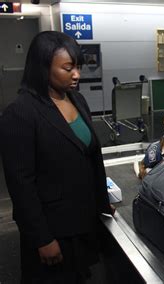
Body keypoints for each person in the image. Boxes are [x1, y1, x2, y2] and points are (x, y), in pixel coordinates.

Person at [0, 31, 114, 283]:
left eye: (78, 67)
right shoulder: (20, 113)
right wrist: (42, 238)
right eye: (68, 68)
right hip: (54, 230)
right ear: (42, 68)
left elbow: (91, 159)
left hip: (83, 222)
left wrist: (103, 206)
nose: (77, 75)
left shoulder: (78, 99)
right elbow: (21, 185)